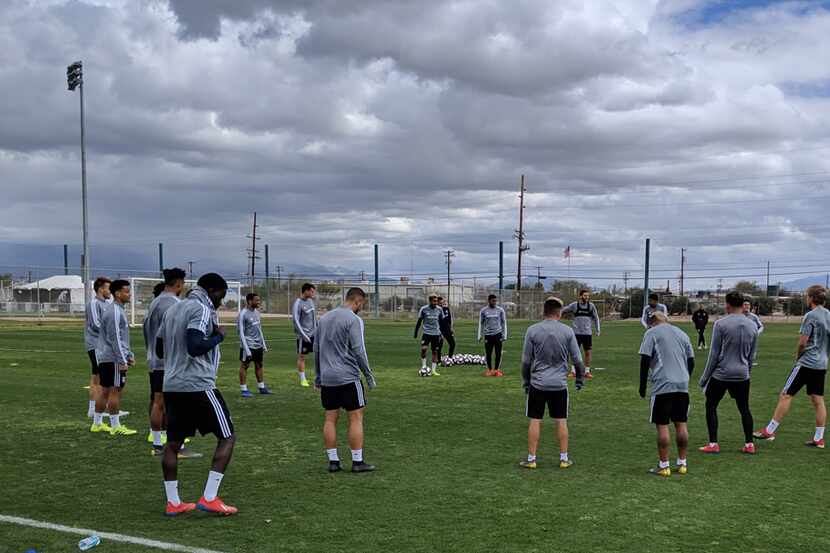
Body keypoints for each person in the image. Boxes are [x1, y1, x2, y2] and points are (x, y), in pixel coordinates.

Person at [158, 273, 237, 516]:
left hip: (171, 385)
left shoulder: (172, 310)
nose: (220, 302)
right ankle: (210, 497)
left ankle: (174, 502)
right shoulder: (201, 309)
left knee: (172, 444)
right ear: (212, 290)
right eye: (220, 296)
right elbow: (194, 346)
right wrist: (218, 337)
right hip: (198, 384)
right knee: (227, 436)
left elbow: (161, 349)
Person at [755, 285, 830, 448]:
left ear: (811, 298)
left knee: (786, 395)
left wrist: (798, 356)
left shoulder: (810, 316)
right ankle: (819, 438)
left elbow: (803, 342)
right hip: (821, 364)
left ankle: (770, 430)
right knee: (818, 400)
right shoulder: (829, 315)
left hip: (807, 363)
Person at [315, 287, 377, 473]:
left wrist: (319, 375)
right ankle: (357, 462)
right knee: (356, 417)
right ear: (358, 301)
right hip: (348, 377)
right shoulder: (354, 319)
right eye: (362, 304)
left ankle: (333, 462)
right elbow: (359, 350)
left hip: (328, 378)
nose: (361, 308)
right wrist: (368, 375)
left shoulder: (324, 318)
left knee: (330, 418)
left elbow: (317, 349)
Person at [519, 297, 584, 470]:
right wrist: (579, 379)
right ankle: (564, 458)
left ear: (544, 311)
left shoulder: (532, 330)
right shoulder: (568, 331)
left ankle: (531, 459)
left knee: (535, 420)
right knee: (561, 420)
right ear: (559, 312)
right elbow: (578, 360)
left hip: (538, 384)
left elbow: (525, 361)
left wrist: (526, 382)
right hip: (559, 385)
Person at [698, 291, 758, 455]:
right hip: (742, 374)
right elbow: (752, 356)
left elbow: (714, 354)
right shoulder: (752, 325)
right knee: (744, 408)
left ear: (728, 305)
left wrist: (704, 378)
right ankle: (749, 444)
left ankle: (713, 443)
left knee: (711, 405)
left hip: (722, 373)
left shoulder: (721, 324)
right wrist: (747, 372)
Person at [638, 311, 695, 477]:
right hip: (682, 384)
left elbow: (645, 359)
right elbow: (691, 361)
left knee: (662, 425)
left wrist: (642, 385)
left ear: (653, 321)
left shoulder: (651, 333)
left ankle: (664, 466)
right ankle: (682, 463)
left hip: (663, 384)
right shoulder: (682, 333)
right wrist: (685, 377)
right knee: (681, 423)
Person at [143, 268, 186, 454]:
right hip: (169, 361)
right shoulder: (174, 303)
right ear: (178, 284)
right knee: (171, 403)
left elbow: (146, 330)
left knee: (158, 401)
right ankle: (172, 443)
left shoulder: (155, 302)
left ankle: (158, 442)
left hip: (154, 359)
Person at [91, 279, 137, 436]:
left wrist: (128, 354)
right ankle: (115, 426)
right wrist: (122, 359)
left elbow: (120, 338)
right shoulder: (115, 312)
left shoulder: (115, 310)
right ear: (118, 293)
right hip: (112, 358)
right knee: (115, 391)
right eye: (126, 291)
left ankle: (97, 423)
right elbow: (115, 338)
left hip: (107, 357)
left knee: (105, 391)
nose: (129, 294)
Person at [85, 277, 111, 420]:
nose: (110, 292)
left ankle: (96, 408)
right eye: (108, 288)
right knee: (99, 378)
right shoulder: (94, 303)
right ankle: (94, 409)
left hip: (103, 345)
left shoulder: (106, 303)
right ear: (101, 289)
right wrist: (112, 334)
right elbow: (96, 324)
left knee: (98, 377)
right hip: (95, 345)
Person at [562, 289, 601, 379]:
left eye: (588, 296)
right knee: (575, 353)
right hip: (576, 333)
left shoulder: (591, 306)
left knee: (588, 353)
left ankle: (587, 372)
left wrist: (598, 329)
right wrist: (556, 315)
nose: (587, 297)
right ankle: (573, 371)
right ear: (580, 296)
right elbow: (563, 310)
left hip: (587, 334)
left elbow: (596, 318)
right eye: (585, 296)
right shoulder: (574, 305)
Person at [239, 293, 271, 397]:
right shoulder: (243, 314)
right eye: (256, 300)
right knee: (245, 366)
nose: (259, 302)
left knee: (259, 365)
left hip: (258, 345)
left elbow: (259, 329)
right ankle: (244, 390)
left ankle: (261, 387)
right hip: (248, 345)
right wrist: (246, 349)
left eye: (259, 300)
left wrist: (264, 344)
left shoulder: (257, 313)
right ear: (249, 301)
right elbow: (241, 333)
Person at [292, 283, 317, 387]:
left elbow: (314, 317)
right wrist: (303, 335)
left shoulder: (311, 301)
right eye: (311, 291)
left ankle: (318, 378)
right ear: (306, 291)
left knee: (319, 355)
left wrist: (318, 329)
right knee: (302, 357)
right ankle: (303, 380)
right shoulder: (298, 303)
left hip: (314, 334)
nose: (313, 293)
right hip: (304, 336)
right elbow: (296, 321)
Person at [414, 294, 445, 376]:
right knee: (424, 349)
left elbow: (442, 322)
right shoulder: (423, 309)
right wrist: (416, 332)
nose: (436, 303)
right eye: (434, 301)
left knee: (435, 352)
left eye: (436, 301)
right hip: (426, 333)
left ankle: (434, 371)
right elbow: (419, 322)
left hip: (436, 334)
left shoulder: (439, 309)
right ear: (430, 301)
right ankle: (424, 366)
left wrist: (442, 333)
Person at [479, 294, 508, 377]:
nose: (495, 302)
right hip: (488, 335)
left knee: (498, 353)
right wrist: (479, 335)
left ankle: (496, 370)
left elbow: (504, 322)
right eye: (493, 301)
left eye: (495, 301)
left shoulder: (500, 310)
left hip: (498, 334)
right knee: (488, 353)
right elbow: (480, 323)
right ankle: (489, 370)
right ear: (489, 301)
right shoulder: (483, 310)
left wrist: (504, 335)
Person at [742, 300, 764, 366]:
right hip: (740, 336)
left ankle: (750, 362)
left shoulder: (754, 317)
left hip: (751, 337)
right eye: (745, 304)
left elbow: (761, 326)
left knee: (752, 350)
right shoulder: (738, 315)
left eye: (748, 305)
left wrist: (757, 333)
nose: (747, 306)